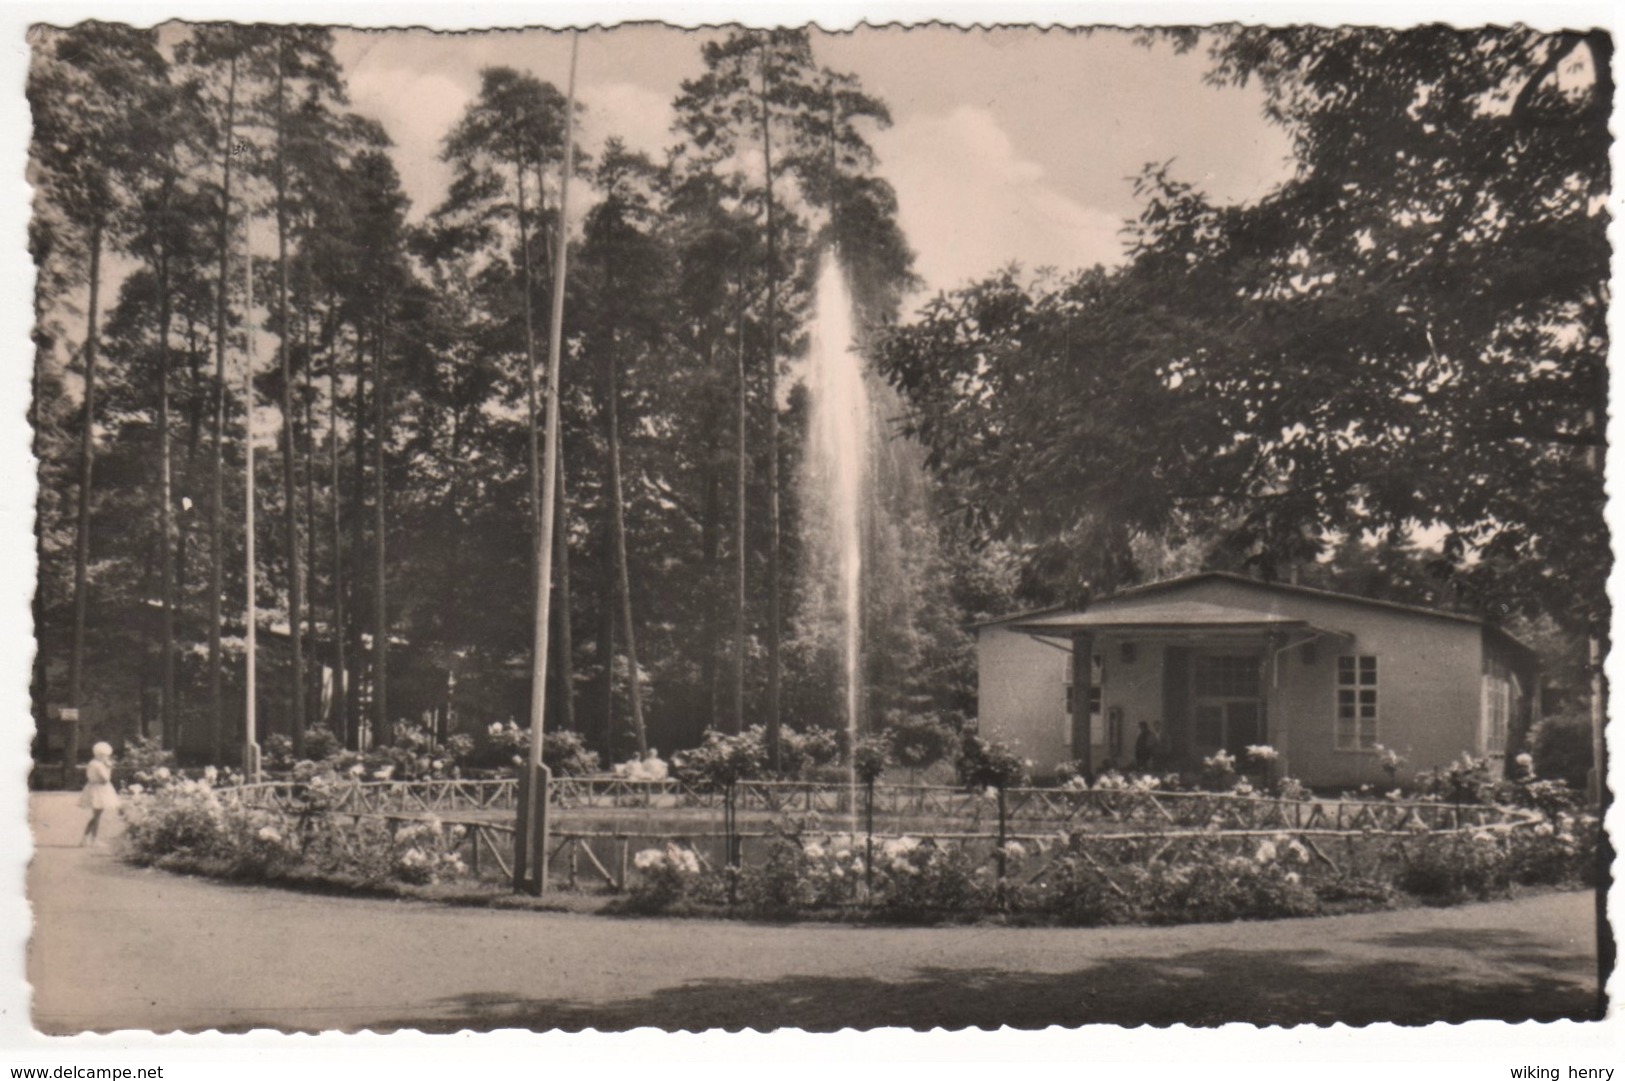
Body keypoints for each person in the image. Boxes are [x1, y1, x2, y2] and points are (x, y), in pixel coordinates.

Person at [79, 741, 119, 846]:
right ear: (101, 755)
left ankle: (87, 839)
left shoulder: (91, 763)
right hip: (100, 790)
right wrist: (109, 768)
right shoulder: (99, 765)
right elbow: (106, 779)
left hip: (92, 788)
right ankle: (91, 839)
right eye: (106, 755)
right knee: (97, 816)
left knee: (97, 815)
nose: (107, 757)